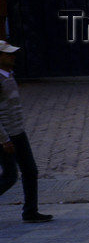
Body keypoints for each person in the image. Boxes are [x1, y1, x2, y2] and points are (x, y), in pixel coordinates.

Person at [0, 41, 53, 223]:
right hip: (5, 135)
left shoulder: (8, 74)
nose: (13, 56)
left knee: (30, 171)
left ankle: (30, 211)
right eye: (8, 54)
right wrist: (4, 139)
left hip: (17, 131)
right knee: (9, 176)